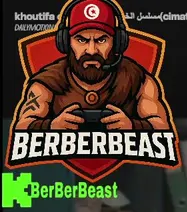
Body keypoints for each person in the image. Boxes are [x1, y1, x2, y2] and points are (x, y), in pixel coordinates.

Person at [14, 0, 173, 132]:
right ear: (66, 42)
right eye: (81, 40)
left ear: (117, 42)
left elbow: (162, 126)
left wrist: (133, 126)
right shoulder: (48, 82)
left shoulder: (139, 80)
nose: (91, 50)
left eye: (101, 40)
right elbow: (22, 126)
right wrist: (51, 126)